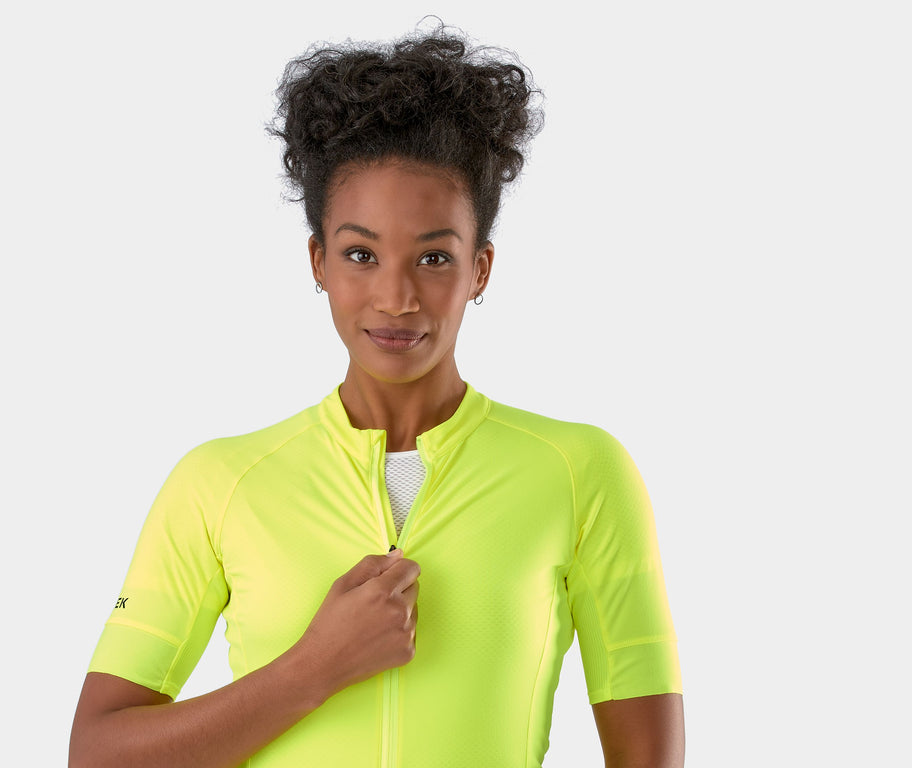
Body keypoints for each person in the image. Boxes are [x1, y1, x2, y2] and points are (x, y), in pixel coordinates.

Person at [70, 25, 684, 768]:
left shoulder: (580, 471)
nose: (395, 297)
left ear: (480, 269)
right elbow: (98, 752)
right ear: (318, 262)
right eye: (360, 254)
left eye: (434, 257)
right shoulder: (218, 483)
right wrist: (314, 667)